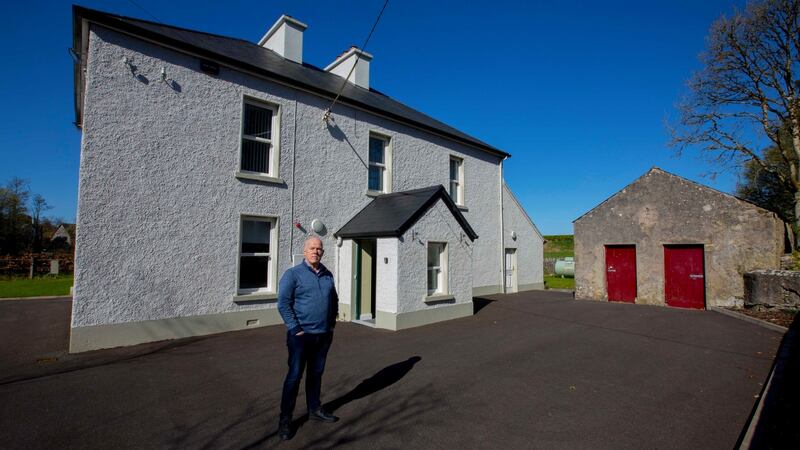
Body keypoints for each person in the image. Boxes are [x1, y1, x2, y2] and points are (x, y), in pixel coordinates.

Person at [277, 236, 339, 441]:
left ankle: (314, 409)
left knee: (316, 374)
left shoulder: (328, 274)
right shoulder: (293, 274)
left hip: (323, 336)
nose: (316, 252)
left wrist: (331, 324)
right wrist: (295, 329)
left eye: (319, 249)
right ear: (304, 251)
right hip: (300, 338)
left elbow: (334, 300)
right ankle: (285, 420)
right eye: (312, 248)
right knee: (294, 377)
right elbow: (283, 304)